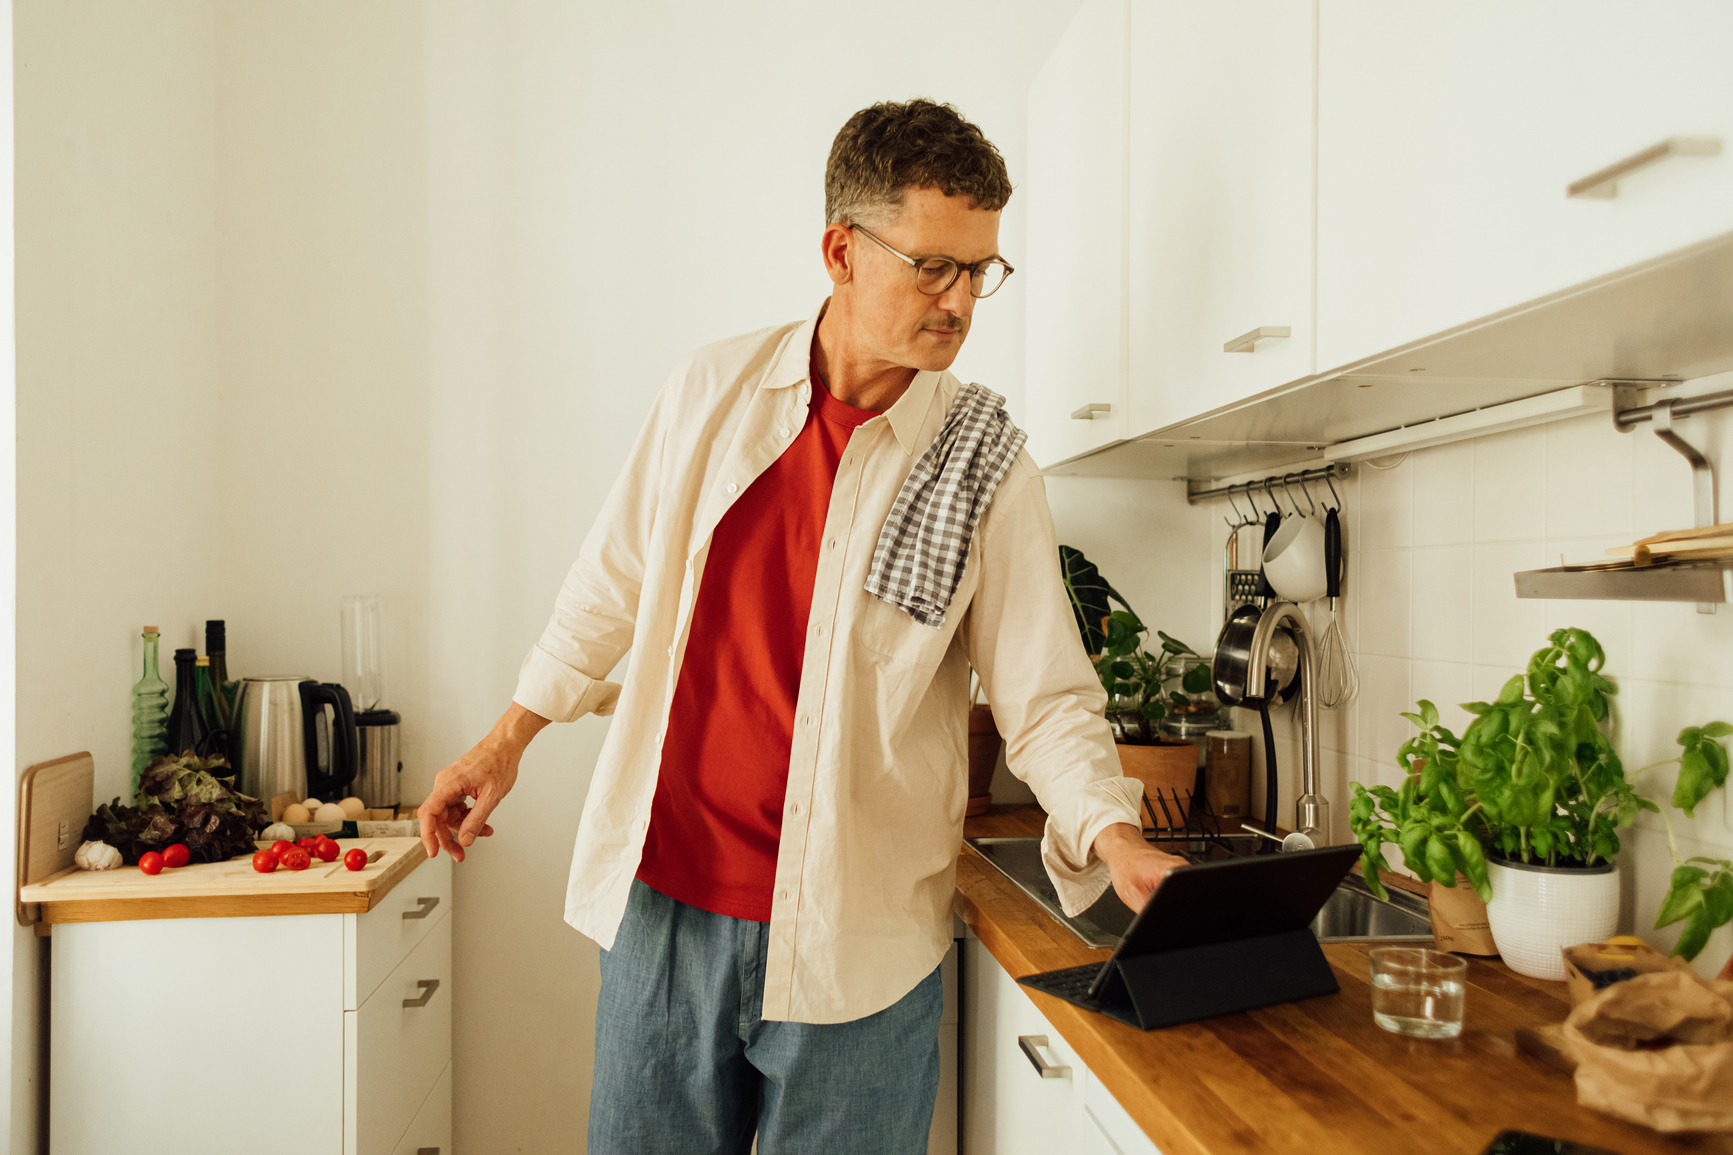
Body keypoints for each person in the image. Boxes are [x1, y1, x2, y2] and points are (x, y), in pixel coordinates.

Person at [419, 98, 1184, 1154]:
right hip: (663, 915)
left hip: (856, 945)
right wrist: (505, 740)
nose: (961, 302)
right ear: (840, 250)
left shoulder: (980, 460)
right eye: (934, 267)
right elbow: (609, 585)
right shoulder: (711, 391)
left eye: (980, 271)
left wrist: (1112, 832)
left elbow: (1041, 691)